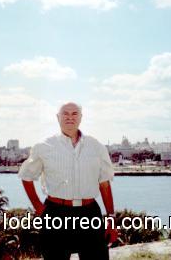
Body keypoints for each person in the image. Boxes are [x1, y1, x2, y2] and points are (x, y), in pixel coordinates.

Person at [18, 102, 118, 260]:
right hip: (56, 213)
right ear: (58, 117)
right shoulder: (44, 146)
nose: (70, 117)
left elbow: (104, 183)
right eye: (65, 113)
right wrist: (39, 208)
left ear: (81, 118)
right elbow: (26, 176)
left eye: (74, 114)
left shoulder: (96, 147)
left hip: (90, 213)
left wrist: (111, 218)